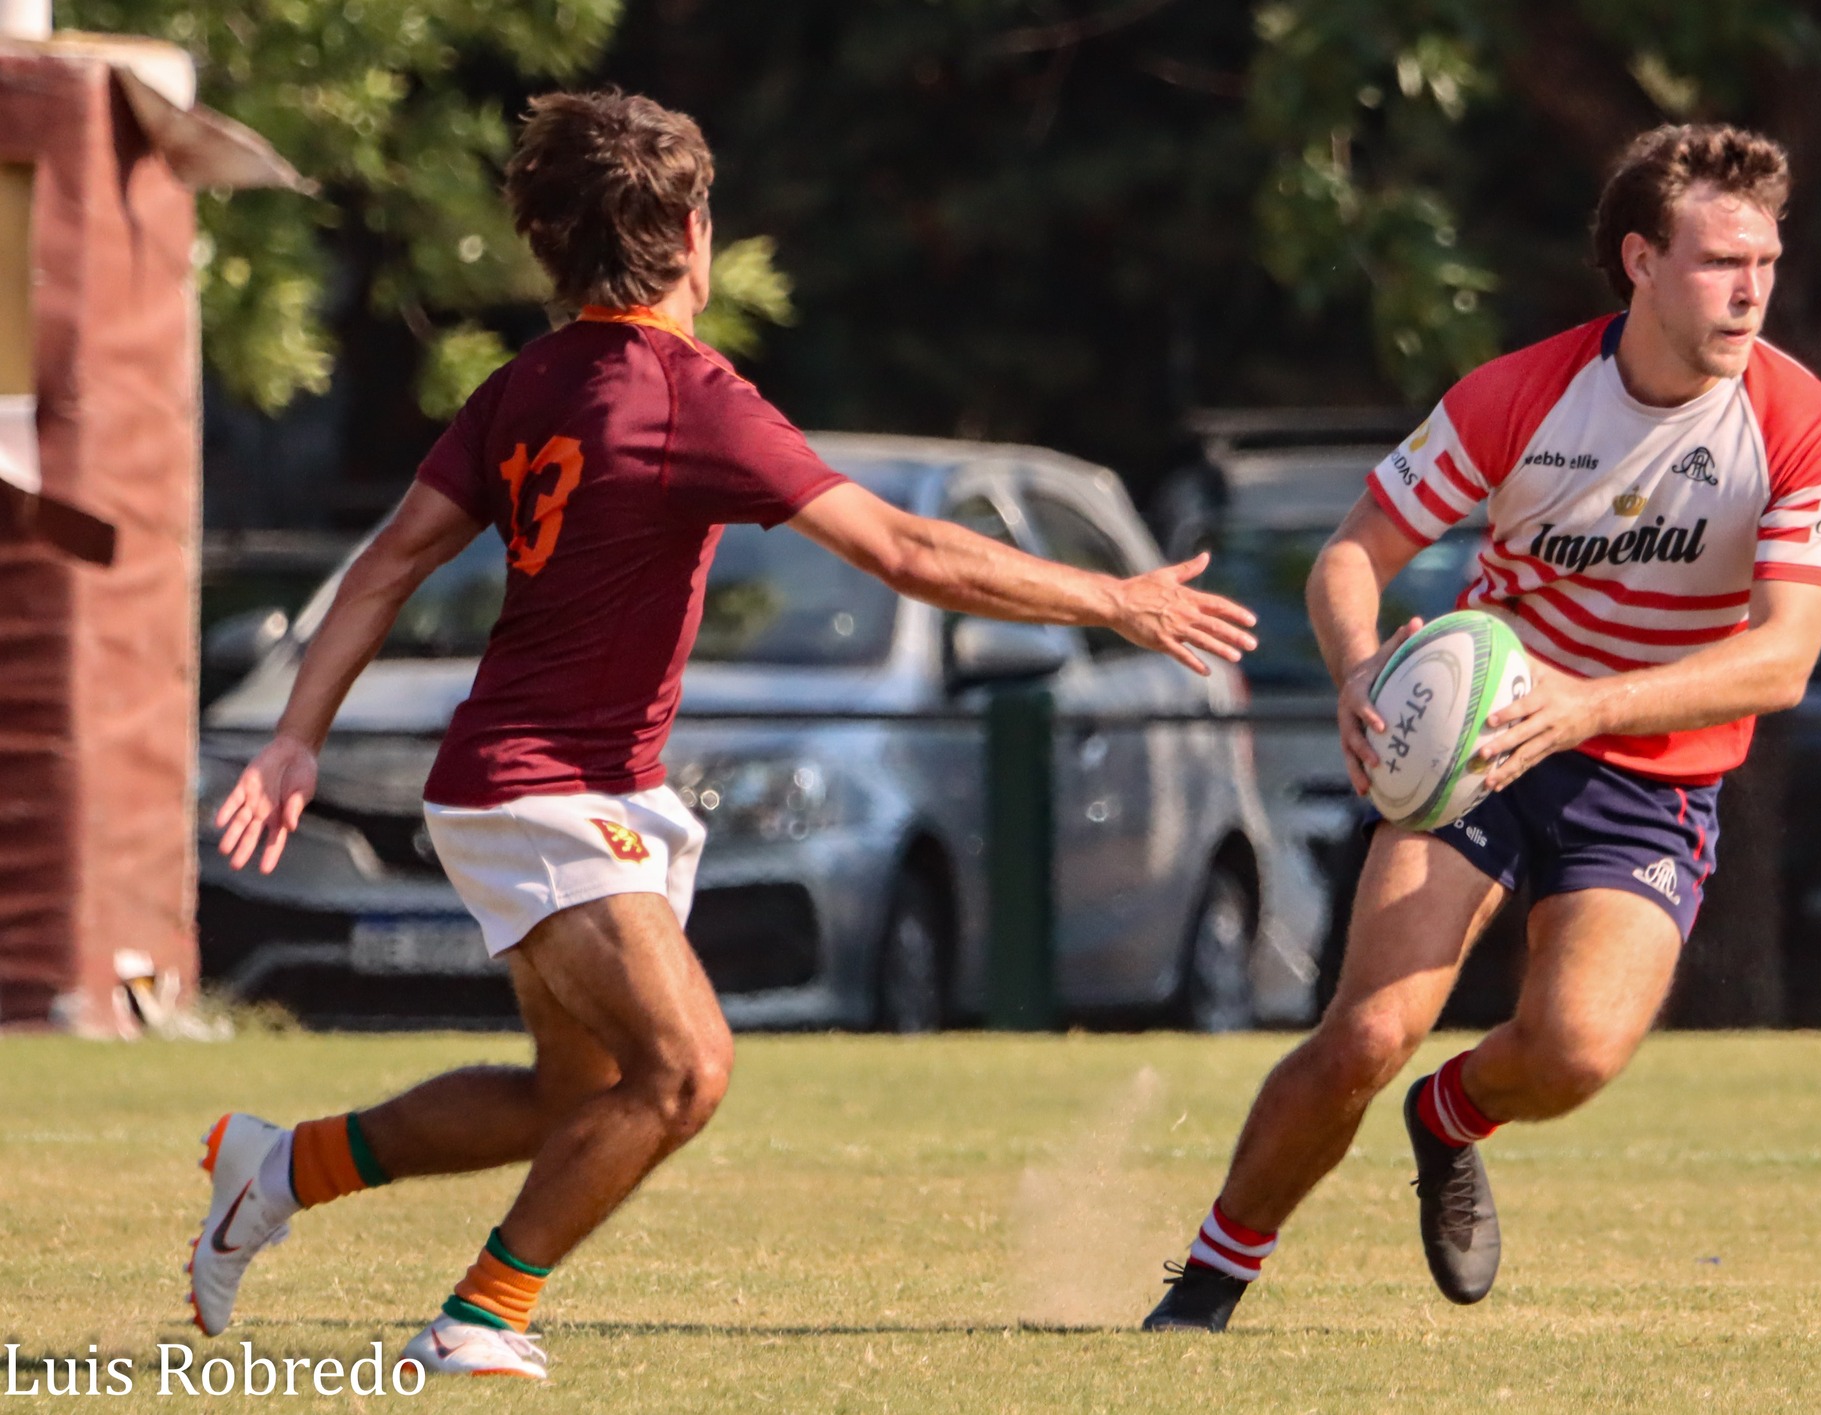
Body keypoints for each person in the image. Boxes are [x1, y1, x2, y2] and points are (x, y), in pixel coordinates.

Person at [188, 89, 1259, 1380]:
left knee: (571, 1102)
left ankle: (279, 1162)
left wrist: (298, 733)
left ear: (551, 241)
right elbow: (905, 547)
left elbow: (383, 564)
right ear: (694, 232)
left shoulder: (523, 384)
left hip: (557, 786)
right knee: (689, 1065)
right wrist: (1117, 597)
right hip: (537, 789)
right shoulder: (685, 393)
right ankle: (482, 1311)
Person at [1144, 123, 1821, 1331]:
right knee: (1366, 1028)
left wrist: (1586, 705)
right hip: (1473, 749)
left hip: (1650, 770)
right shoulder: (1521, 392)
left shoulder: (1805, 426)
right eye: (1715, 261)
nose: (1748, 291)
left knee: (1573, 1051)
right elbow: (1350, 557)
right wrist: (1361, 676)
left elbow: (1781, 658)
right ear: (1638, 260)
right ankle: (1207, 1287)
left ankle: (1449, 1118)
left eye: (1766, 263)